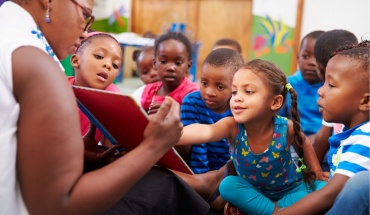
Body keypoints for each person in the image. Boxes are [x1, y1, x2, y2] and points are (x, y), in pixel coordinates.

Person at [0, 1, 209, 214]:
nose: (84, 31)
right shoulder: (36, 63)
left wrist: (78, 155)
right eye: (85, 14)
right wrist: (154, 146)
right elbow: (57, 206)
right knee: (163, 185)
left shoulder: (9, 34)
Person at [177, 59, 327, 215]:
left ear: (275, 102)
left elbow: (304, 143)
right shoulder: (232, 127)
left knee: (325, 188)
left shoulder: (285, 128)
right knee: (227, 185)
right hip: (253, 192)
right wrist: (173, 135)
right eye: (234, 92)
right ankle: (278, 211)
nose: (237, 98)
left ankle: (268, 209)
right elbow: (206, 131)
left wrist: (316, 170)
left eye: (248, 92)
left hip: (291, 190)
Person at [275, 41, 370, 214]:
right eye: (324, 82)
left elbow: (329, 195)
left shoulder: (365, 138)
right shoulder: (353, 133)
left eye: (331, 85)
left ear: (365, 101)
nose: (320, 91)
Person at [181, 48, 244, 173]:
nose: (209, 92)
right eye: (204, 83)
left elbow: (239, 153)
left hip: (231, 172)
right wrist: (201, 180)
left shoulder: (240, 106)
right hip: (198, 172)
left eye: (220, 87)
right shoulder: (192, 103)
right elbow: (198, 147)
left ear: (235, 87)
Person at [69, 32, 123, 168]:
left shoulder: (112, 97)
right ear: (76, 60)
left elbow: (110, 150)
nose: (108, 65)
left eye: (115, 65)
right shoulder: (57, 89)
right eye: (99, 56)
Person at [312, 29, 358, 171]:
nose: (321, 91)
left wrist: (312, 172)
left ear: (319, 68)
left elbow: (322, 137)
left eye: (331, 85)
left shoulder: (337, 99)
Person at [277, 31, 325, 144]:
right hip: (292, 141)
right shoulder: (286, 85)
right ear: (298, 57)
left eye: (318, 58)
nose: (312, 62)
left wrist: (318, 139)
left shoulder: (330, 88)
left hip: (323, 141)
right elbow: (278, 121)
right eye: (306, 56)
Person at [141, 31, 199, 115]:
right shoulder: (149, 92)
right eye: (163, 61)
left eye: (178, 63)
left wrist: (174, 111)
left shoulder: (192, 93)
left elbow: (197, 119)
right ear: (154, 64)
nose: (170, 68)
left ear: (188, 66)